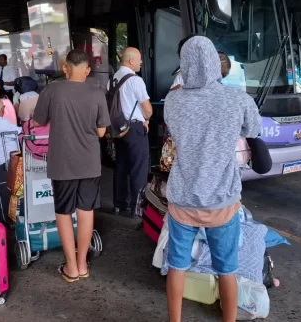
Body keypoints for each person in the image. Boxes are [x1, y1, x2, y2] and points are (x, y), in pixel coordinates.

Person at [163, 36, 261, 322]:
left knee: (177, 266)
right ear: (214, 64)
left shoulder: (173, 99)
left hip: (182, 198)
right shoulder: (237, 99)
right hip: (223, 200)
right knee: (227, 270)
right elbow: (253, 129)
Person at [33, 49, 110, 282]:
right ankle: (83, 264)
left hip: (62, 163)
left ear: (65, 68)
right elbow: (102, 131)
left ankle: (71, 267)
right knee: (86, 212)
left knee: (64, 213)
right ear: (87, 70)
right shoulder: (97, 93)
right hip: (89, 162)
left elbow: (38, 121)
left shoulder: (52, 90)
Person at [110, 47, 153, 217]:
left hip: (119, 128)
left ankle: (119, 204)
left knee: (120, 166)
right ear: (131, 61)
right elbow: (147, 109)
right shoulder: (136, 80)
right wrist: (147, 118)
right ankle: (137, 207)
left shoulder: (112, 79)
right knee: (139, 168)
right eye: (140, 59)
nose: (142, 62)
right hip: (135, 128)